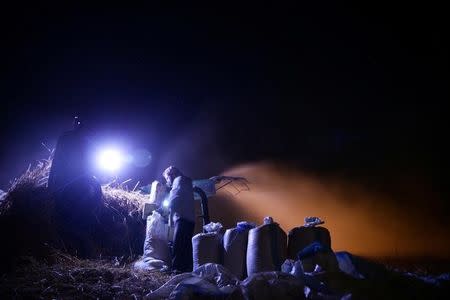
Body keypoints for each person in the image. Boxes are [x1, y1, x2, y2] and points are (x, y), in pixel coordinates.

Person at [163, 166, 195, 273]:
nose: (168, 181)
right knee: (186, 245)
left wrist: (164, 209)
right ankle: (187, 269)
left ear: (171, 174)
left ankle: (176, 269)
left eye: (167, 178)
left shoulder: (178, 180)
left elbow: (175, 198)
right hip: (189, 218)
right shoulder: (186, 182)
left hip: (182, 218)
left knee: (178, 245)